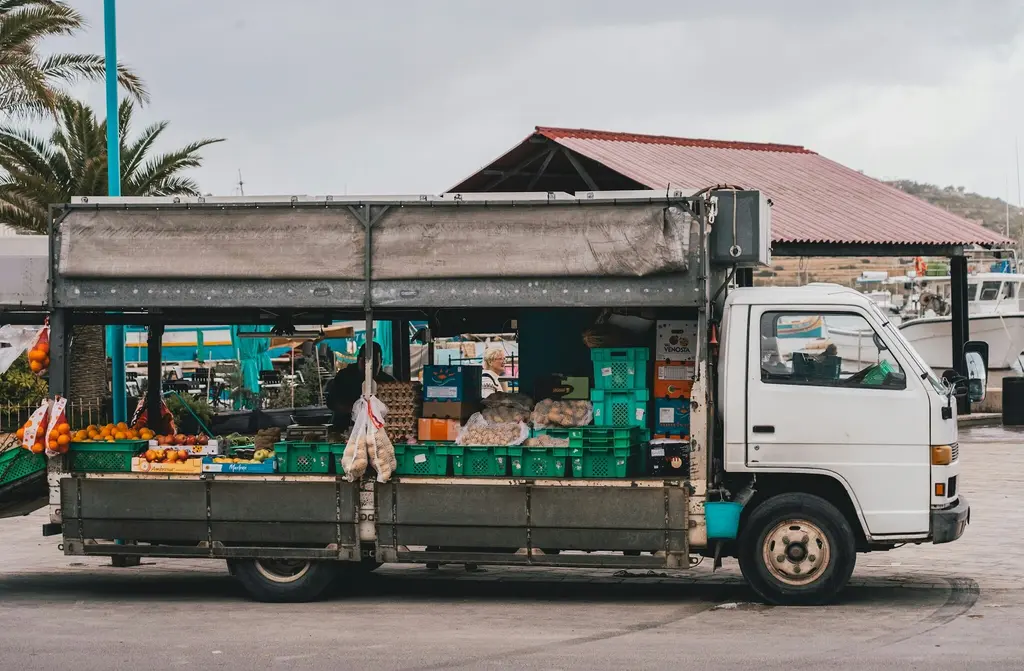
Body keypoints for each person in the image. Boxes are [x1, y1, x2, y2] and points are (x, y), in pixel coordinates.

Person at [326, 342, 395, 430]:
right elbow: (331, 402)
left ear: (381, 361)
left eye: (375, 364)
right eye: (366, 364)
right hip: (344, 427)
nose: (370, 368)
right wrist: (355, 409)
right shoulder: (344, 376)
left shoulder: (388, 382)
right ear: (359, 359)